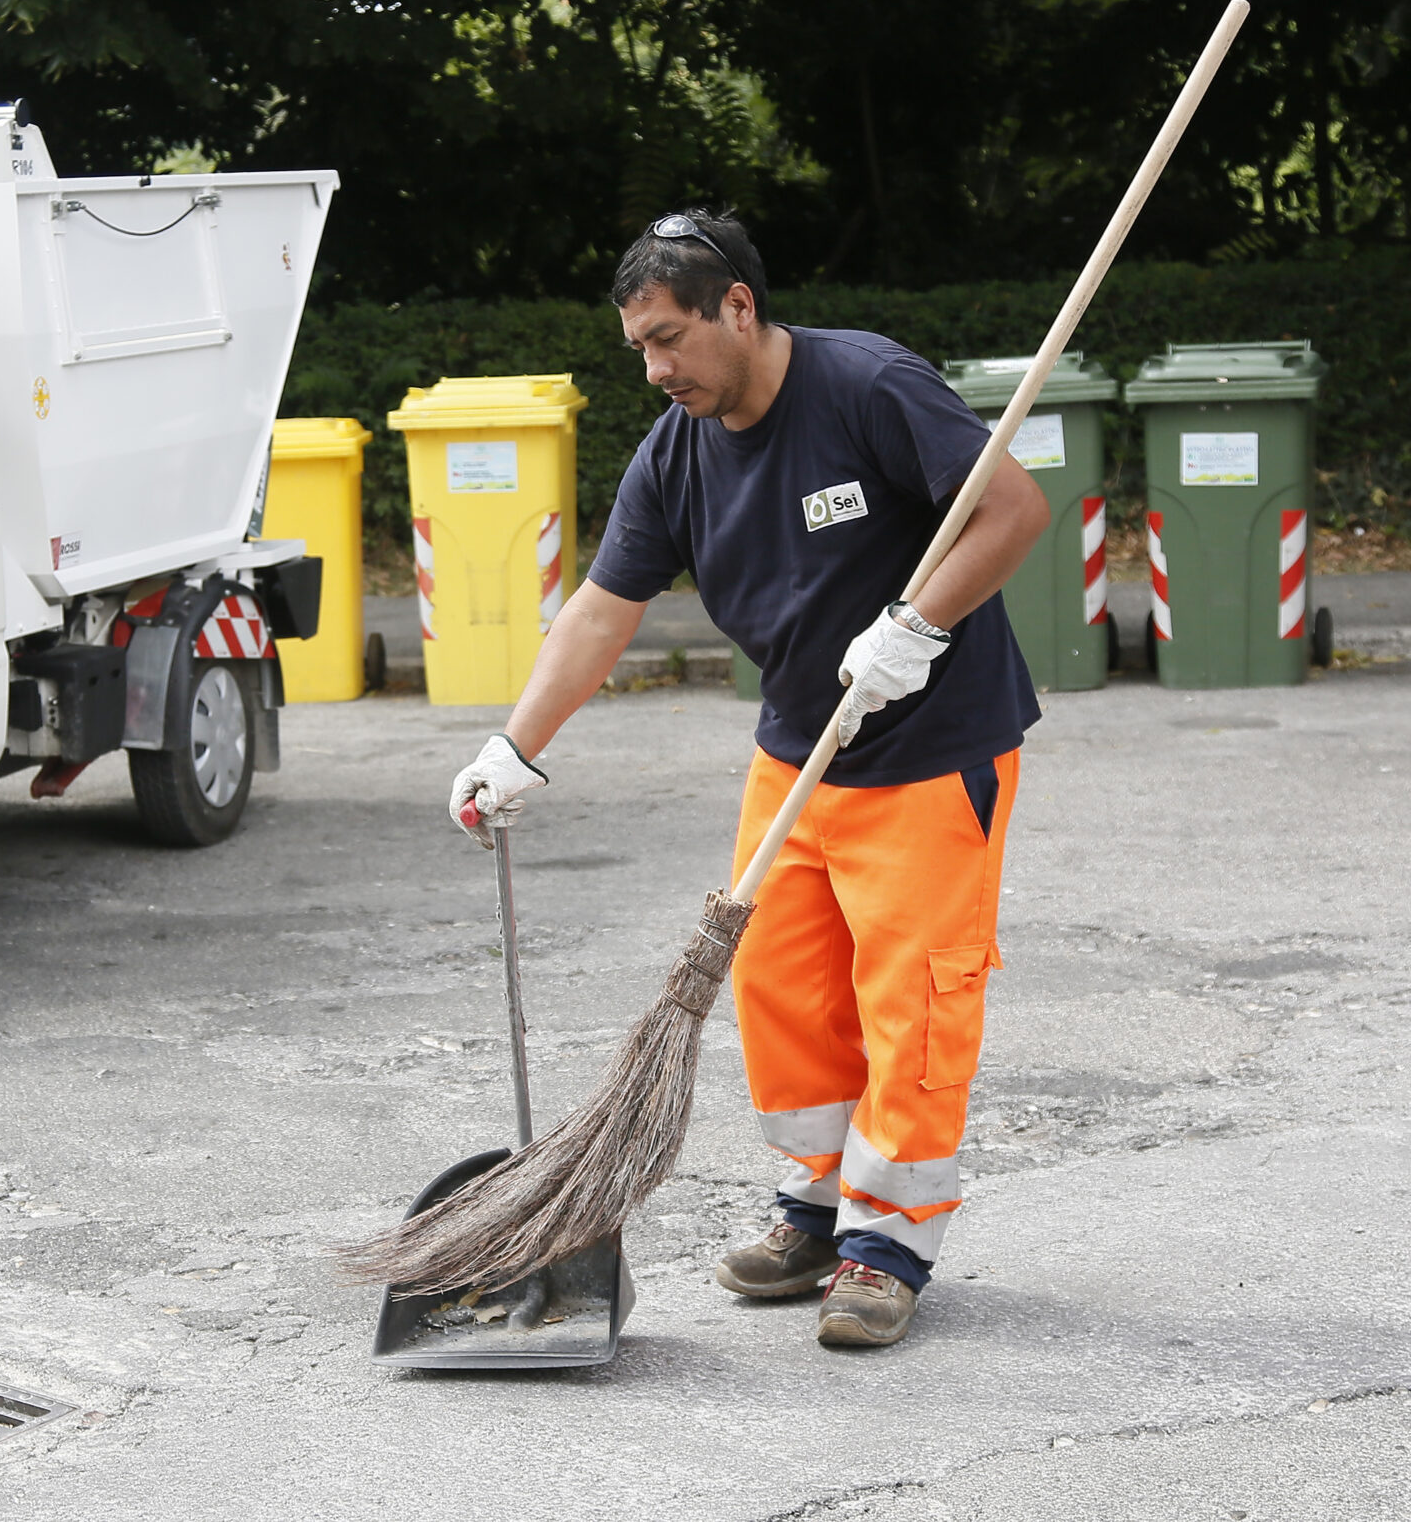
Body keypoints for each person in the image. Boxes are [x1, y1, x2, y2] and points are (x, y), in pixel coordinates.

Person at [448, 212, 1049, 1349]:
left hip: (930, 753)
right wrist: (516, 747)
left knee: (910, 1000)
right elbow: (600, 609)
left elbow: (1011, 508)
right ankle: (816, 1208)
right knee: (781, 992)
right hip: (794, 756)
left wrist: (917, 625)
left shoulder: (868, 387)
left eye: (669, 337)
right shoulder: (675, 450)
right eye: (638, 347)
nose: (655, 368)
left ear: (736, 306)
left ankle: (890, 1244)